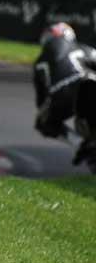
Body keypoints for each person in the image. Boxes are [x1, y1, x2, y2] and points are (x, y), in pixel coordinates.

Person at [33, 22, 96, 166]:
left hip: (60, 95)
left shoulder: (40, 62)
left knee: (42, 122)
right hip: (87, 85)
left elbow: (41, 101)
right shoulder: (85, 49)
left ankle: (80, 143)